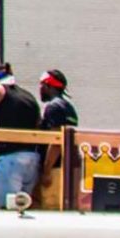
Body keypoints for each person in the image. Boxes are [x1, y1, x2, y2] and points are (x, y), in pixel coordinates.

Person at [0, 63, 42, 208]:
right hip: (33, 159)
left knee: (8, 209)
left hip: (11, 158)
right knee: (24, 208)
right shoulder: (29, 96)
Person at [38, 69, 78, 199]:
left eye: (41, 85)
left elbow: (56, 141)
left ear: (48, 85)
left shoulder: (53, 107)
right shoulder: (69, 108)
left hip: (54, 170)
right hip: (66, 168)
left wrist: (46, 171)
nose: (40, 88)